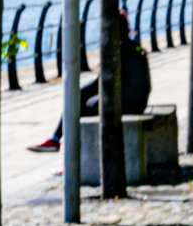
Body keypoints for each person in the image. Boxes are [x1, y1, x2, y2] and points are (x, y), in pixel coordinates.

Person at [28, 11, 150, 152]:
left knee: (85, 107)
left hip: (128, 103)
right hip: (138, 101)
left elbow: (101, 83)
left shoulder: (116, 49)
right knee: (84, 101)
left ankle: (75, 157)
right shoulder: (132, 46)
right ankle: (60, 143)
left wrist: (76, 94)